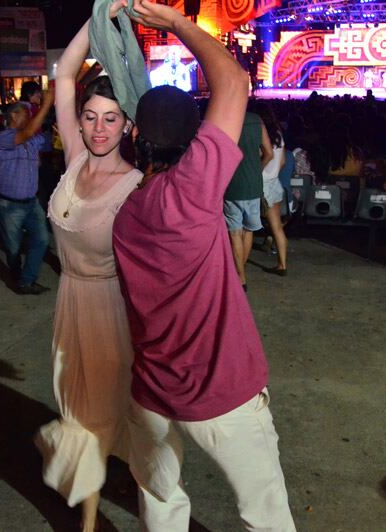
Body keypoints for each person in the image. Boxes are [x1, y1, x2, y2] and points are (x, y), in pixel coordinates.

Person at [113, 1, 296, 530]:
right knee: (266, 516)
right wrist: (175, 23)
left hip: (151, 392)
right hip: (220, 393)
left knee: (161, 501)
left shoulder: (128, 214)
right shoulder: (191, 192)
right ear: (192, 141)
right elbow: (234, 83)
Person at [32, 6, 142, 531]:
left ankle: (89, 520)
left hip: (111, 311)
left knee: (95, 415)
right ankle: (102, 477)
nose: (99, 128)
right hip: (69, 302)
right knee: (77, 405)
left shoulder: (137, 186)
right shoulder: (74, 156)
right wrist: (101, 12)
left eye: (111, 118)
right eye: (91, 116)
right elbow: (64, 76)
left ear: (129, 124)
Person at [0, 93, 54, 295]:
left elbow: (50, 142)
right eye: (26, 114)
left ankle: (26, 280)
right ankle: (17, 275)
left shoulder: (31, 139)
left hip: (31, 201)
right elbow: (28, 134)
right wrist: (46, 104)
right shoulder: (1, 138)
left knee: (42, 240)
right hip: (8, 204)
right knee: (14, 249)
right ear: (13, 116)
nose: (29, 118)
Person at [223, 109, 268, 290]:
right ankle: (241, 272)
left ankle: (240, 277)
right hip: (253, 186)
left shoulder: (227, 119)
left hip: (232, 185)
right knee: (248, 231)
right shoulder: (257, 120)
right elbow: (269, 153)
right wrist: (257, 168)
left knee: (234, 233)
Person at [256, 101, 288, 275]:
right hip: (275, 182)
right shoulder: (279, 136)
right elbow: (282, 162)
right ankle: (282, 264)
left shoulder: (261, 136)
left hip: (261, 183)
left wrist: (258, 171)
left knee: (245, 226)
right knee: (277, 227)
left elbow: (264, 157)